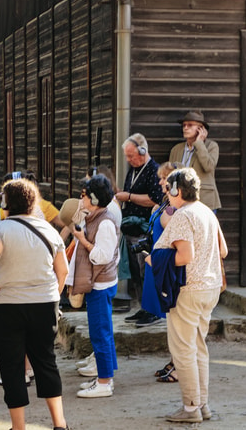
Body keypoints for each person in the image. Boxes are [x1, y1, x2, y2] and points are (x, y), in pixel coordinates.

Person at [0, 178, 69, 430]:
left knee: (12, 367)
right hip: (44, 304)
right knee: (46, 362)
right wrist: (53, 294)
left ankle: (19, 428)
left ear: (5, 203)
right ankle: (60, 424)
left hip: (6, 305)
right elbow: (63, 271)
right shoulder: (49, 230)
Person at [154, 168, 227, 423]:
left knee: (183, 350)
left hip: (189, 290)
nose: (166, 193)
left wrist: (156, 260)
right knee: (198, 347)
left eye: (168, 189)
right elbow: (224, 250)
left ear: (177, 190)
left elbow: (184, 256)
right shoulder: (207, 212)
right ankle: (202, 404)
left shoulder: (184, 216)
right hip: (209, 288)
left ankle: (190, 408)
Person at [68, 175, 121, 398]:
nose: (82, 200)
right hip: (99, 282)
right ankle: (105, 375)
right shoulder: (97, 216)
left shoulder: (105, 222)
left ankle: (104, 382)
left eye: (85, 196)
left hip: (101, 283)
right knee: (102, 332)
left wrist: (82, 239)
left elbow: (101, 256)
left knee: (100, 333)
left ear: (95, 199)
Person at [130, 162, 179, 380]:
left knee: (177, 321)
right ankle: (174, 361)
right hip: (155, 261)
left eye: (163, 178)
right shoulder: (163, 205)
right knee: (171, 321)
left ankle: (178, 365)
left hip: (166, 265)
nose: (159, 182)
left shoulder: (174, 211)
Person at [115, 135, 163, 327]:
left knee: (145, 270)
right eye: (126, 156)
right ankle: (142, 306)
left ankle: (152, 310)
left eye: (131, 155)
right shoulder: (133, 170)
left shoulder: (153, 170)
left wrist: (129, 197)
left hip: (144, 227)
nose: (128, 160)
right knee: (135, 271)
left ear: (142, 151)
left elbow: (155, 199)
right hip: (131, 227)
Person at [168, 111, 220, 210]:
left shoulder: (211, 146)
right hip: (180, 201)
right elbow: (169, 176)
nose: (185, 128)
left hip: (204, 201)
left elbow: (208, 167)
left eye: (190, 125)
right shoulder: (176, 149)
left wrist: (199, 143)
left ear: (201, 129)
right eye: (184, 125)